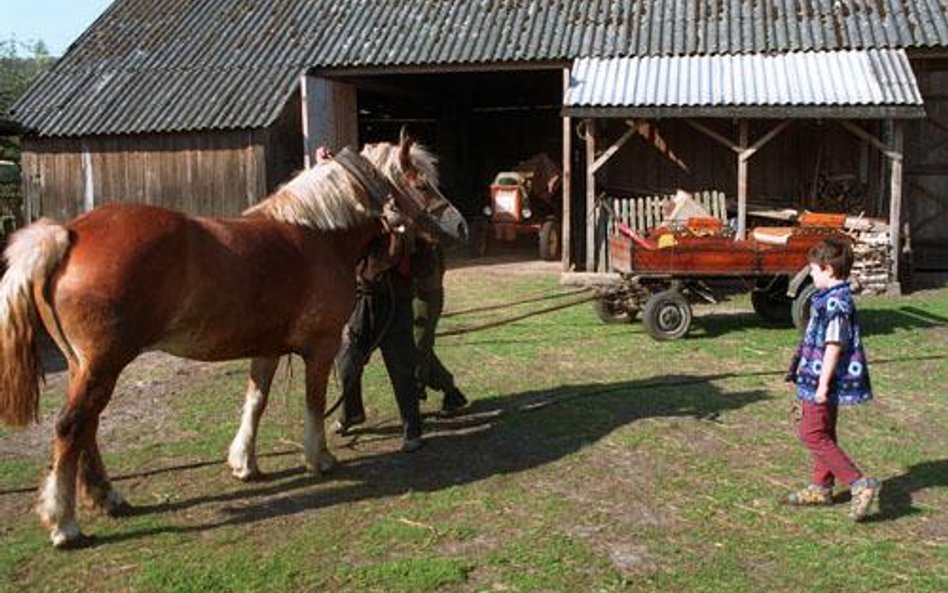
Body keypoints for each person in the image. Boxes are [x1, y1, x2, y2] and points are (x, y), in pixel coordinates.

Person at [784, 238, 879, 521]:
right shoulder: (826, 298)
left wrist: (823, 385)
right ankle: (821, 487)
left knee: (811, 433)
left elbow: (834, 344)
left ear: (828, 269)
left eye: (813, 269)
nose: (810, 274)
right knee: (824, 431)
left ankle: (858, 484)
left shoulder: (836, 303)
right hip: (814, 375)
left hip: (822, 380)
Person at [333, 226, 424, 453]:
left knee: (402, 370)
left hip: (396, 304)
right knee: (347, 361)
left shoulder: (407, 222)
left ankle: (412, 429)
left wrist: (399, 231)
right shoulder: (363, 221)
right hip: (363, 302)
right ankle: (352, 413)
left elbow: (396, 258)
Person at [411, 234, 468, 417]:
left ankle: (416, 395)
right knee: (418, 348)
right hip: (416, 296)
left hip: (426, 296)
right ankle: (451, 391)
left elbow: (430, 274)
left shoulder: (427, 236)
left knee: (420, 348)